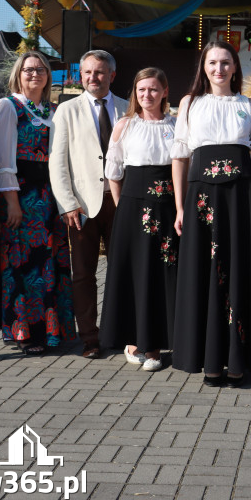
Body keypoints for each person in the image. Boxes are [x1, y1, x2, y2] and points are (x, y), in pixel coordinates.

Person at [170, 41, 251, 385]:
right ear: (203, 68)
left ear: (235, 68)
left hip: (241, 200)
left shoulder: (248, 106)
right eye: (212, 63)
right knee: (204, 274)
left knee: (239, 272)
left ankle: (238, 358)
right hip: (202, 202)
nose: (218, 69)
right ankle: (211, 360)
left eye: (225, 63)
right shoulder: (189, 104)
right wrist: (179, 206)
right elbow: (180, 157)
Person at [0, 51, 75, 355]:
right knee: (21, 264)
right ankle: (21, 329)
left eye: (41, 69)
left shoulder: (53, 110)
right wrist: (12, 201)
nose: (35, 74)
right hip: (20, 196)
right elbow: (1, 161)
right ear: (18, 74)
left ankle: (48, 329)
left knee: (46, 266)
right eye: (29, 70)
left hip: (48, 198)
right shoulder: (7, 107)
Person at [49, 50, 128, 359]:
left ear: (112, 75)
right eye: (87, 73)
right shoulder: (67, 110)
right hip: (82, 207)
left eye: (99, 72)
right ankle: (89, 337)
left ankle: (120, 331)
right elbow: (58, 162)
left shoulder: (127, 108)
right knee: (83, 274)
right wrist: (67, 204)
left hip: (121, 204)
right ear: (79, 76)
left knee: (121, 272)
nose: (93, 77)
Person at [99, 68, 177, 372]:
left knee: (164, 273)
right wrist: (123, 210)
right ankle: (134, 339)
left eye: (154, 89)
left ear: (165, 91)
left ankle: (160, 340)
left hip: (168, 208)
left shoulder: (176, 126)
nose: (147, 95)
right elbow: (113, 173)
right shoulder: (124, 126)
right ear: (135, 92)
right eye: (142, 90)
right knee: (135, 273)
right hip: (132, 209)